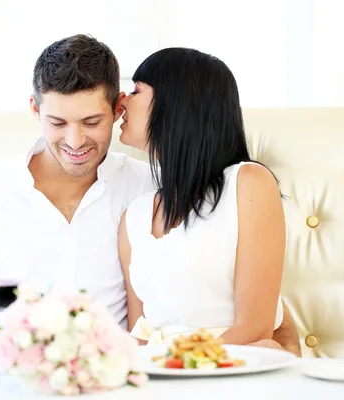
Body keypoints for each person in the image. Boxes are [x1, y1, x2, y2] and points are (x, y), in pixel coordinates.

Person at [0, 34, 301, 355]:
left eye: (92, 122)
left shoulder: (148, 190)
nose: (74, 141)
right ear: (35, 109)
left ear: (118, 107)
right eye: (57, 122)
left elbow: (240, 296)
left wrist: (276, 344)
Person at [118, 47, 287, 347]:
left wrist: (179, 366)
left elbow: (255, 329)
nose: (121, 101)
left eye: (135, 91)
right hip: (160, 375)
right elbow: (138, 334)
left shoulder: (248, 183)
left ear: (175, 103)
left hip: (236, 363)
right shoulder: (134, 218)